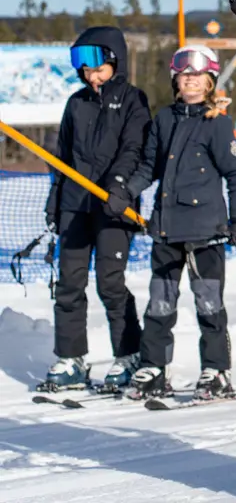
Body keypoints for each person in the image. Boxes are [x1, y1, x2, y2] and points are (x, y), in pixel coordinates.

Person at [108, 45, 236, 401]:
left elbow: (235, 176)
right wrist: (126, 191)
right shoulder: (165, 118)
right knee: (160, 304)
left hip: (207, 232)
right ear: (176, 79)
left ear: (211, 81)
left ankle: (216, 370)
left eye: (199, 76)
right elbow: (149, 167)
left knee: (209, 305)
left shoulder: (217, 122)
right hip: (166, 229)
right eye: (185, 75)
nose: (191, 81)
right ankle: (154, 366)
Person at [37, 27, 150, 393]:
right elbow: (63, 157)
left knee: (110, 283)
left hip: (113, 205)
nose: (90, 74)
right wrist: (56, 199)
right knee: (69, 284)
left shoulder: (133, 100)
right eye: (83, 68)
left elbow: (134, 148)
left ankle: (129, 353)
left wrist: (118, 187)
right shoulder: (76, 102)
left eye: (96, 66)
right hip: (75, 204)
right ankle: (71, 358)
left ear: (114, 60)